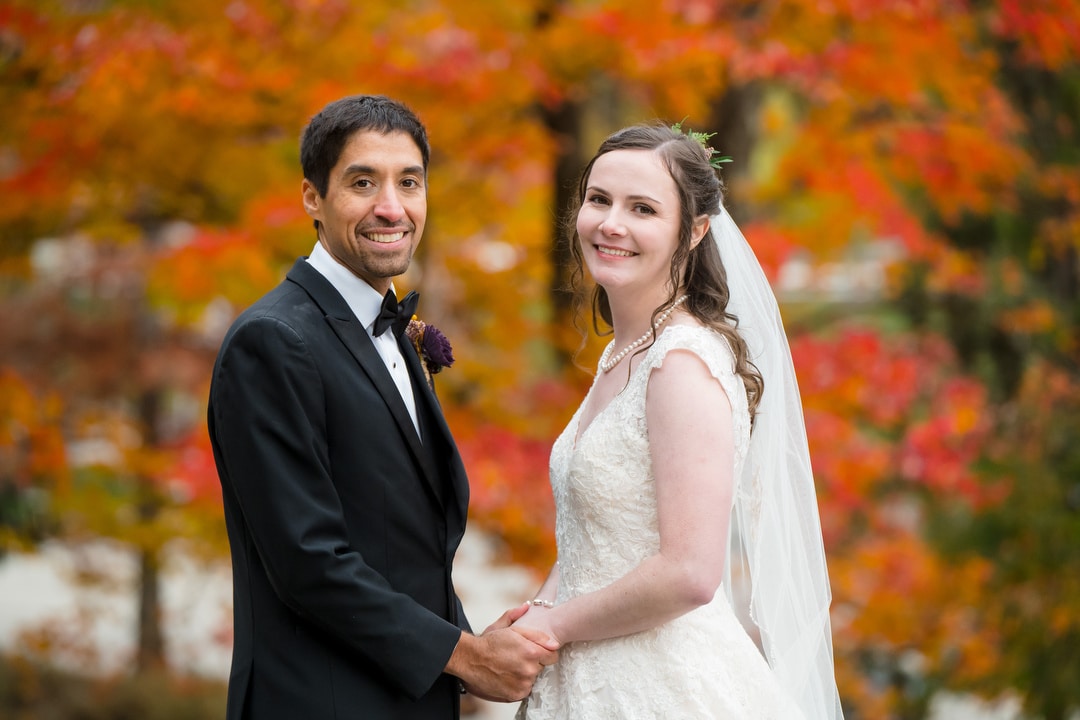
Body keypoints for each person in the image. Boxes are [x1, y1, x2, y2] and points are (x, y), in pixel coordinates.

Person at [208, 94, 558, 720]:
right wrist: (468, 657)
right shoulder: (273, 342)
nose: (390, 208)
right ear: (313, 197)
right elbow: (308, 561)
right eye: (362, 182)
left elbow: (397, 545)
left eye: (409, 182)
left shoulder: (393, 328)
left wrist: (471, 641)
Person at [513, 123, 843, 719]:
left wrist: (555, 625)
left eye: (642, 208)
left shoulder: (681, 364)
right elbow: (594, 538)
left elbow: (690, 573)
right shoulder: (625, 353)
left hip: (660, 687)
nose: (611, 223)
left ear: (693, 231)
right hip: (588, 672)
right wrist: (529, 623)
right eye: (598, 200)